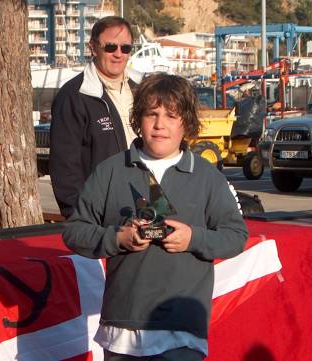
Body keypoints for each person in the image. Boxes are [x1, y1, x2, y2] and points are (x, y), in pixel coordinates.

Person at [63, 74, 248, 360]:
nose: (160, 125)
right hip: (122, 330)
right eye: (152, 114)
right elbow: (74, 232)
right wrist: (117, 238)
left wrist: (193, 238)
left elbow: (236, 236)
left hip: (182, 330)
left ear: (185, 122)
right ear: (139, 119)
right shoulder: (110, 171)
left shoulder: (207, 176)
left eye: (171, 116)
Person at [50, 16, 137, 218]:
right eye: (110, 47)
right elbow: (64, 165)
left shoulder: (141, 90)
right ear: (93, 48)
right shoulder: (74, 96)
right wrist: (79, 215)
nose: (118, 54)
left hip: (143, 206)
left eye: (125, 48)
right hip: (100, 213)